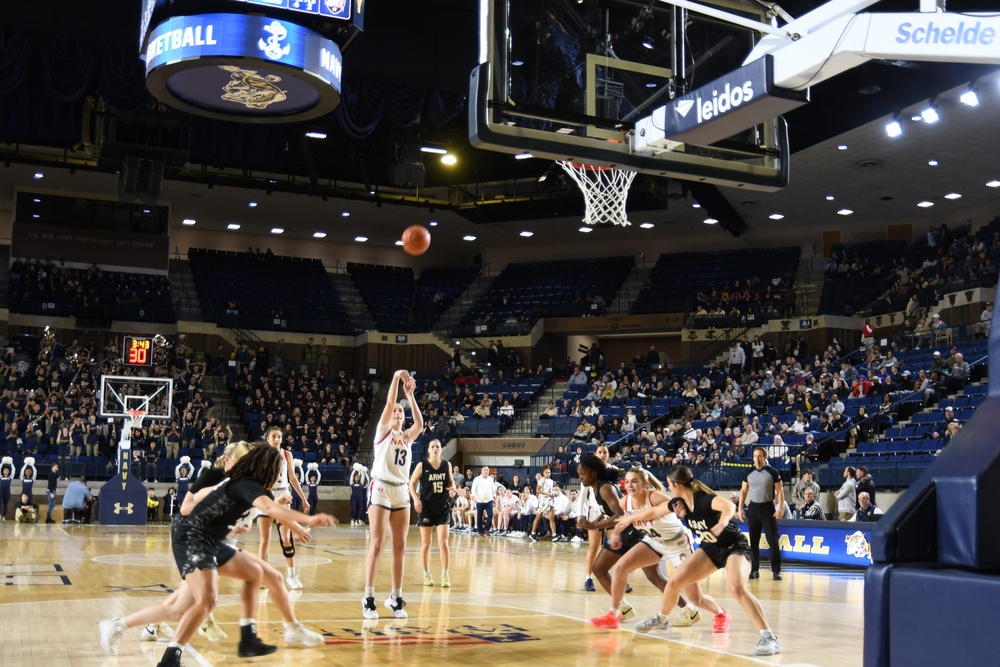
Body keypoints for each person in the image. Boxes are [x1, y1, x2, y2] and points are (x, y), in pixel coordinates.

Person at [101, 444, 335, 667]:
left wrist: (295, 527)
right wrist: (310, 519)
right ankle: (169, 659)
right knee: (207, 601)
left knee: (252, 575)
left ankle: (248, 638)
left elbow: (267, 509)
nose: (279, 477)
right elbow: (271, 510)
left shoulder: (253, 487)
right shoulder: (244, 483)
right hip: (192, 537)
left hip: (212, 539)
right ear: (268, 468)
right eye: (279, 471)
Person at [620, 465, 781, 656]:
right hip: (711, 547)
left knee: (736, 588)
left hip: (734, 546)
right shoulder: (678, 503)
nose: (668, 488)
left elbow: (728, 506)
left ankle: (769, 637)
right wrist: (628, 520)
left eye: (670, 485)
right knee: (674, 582)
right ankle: (661, 618)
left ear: (676, 485)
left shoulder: (704, 500)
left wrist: (722, 522)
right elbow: (653, 512)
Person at [589, 464, 729, 632]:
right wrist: (617, 533)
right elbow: (623, 519)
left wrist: (681, 509)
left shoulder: (654, 497)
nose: (630, 485)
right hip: (654, 541)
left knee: (695, 596)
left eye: (634, 481)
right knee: (620, 567)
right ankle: (614, 614)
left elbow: (676, 504)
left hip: (678, 543)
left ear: (645, 484)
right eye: (627, 482)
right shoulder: (625, 502)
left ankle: (720, 614)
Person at [363, 370, 422, 621]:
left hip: (400, 490)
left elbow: (419, 424)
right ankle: (368, 598)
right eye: (396, 411)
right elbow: (389, 403)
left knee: (401, 546)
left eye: (401, 412)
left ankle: (395, 598)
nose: (398, 413)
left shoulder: (407, 437)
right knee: (377, 544)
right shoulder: (383, 432)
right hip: (381, 487)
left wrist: (410, 396)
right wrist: (397, 378)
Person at [257, 426, 310, 590]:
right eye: (274, 436)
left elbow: (293, 478)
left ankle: (292, 575)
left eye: (279, 437)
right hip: (267, 495)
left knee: (286, 538)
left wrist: (303, 498)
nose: (277, 439)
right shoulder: (262, 455)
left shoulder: (287, 454)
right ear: (267, 439)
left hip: (284, 494)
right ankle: (263, 576)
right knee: (265, 540)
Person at [408, 438, 455, 588]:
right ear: (428, 450)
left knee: (443, 543)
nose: (435, 449)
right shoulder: (422, 465)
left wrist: (453, 488)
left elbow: (451, 482)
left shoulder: (447, 465)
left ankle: (445, 574)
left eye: (438, 447)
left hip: (442, 507)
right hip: (426, 507)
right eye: (432, 446)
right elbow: (411, 484)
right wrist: (415, 499)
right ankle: (426, 573)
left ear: (441, 450)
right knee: (426, 544)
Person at [738, 447, 784, 580]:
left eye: (759, 456)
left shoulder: (772, 472)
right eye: (755, 456)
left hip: (768, 508)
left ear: (765, 457)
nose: (757, 459)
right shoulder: (748, 472)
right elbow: (743, 491)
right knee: (753, 541)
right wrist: (740, 509)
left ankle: (776, 570)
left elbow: (780, 491)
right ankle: (754, 570)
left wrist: (780, 508)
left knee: (773, 541)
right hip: (753, 508)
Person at [530, 465, 558, 540]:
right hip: (543, 500)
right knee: (538, 517)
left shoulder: (552, 481)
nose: (548, 474)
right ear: (543, 473)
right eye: (546, 472)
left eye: (549, 472)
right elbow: (538, 490)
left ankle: (554, 535)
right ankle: (533, 533)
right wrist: (548, 494)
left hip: (550, 500)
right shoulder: (542, 480)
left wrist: (554, 493)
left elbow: (552, 490)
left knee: (551, 518)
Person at [471, 465, 496, 537]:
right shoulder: (477, 479)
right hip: (480, 500)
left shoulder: (490, 479)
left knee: (490, 514)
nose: (486, 471)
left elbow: (493, 489)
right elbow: (473, 489)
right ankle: (480, 531)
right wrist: (474, 497)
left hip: (489, 500)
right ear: (482, 471)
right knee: (479, 516)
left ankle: (486, 529)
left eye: (487, 470)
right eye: (484, 470)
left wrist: (494, 497)